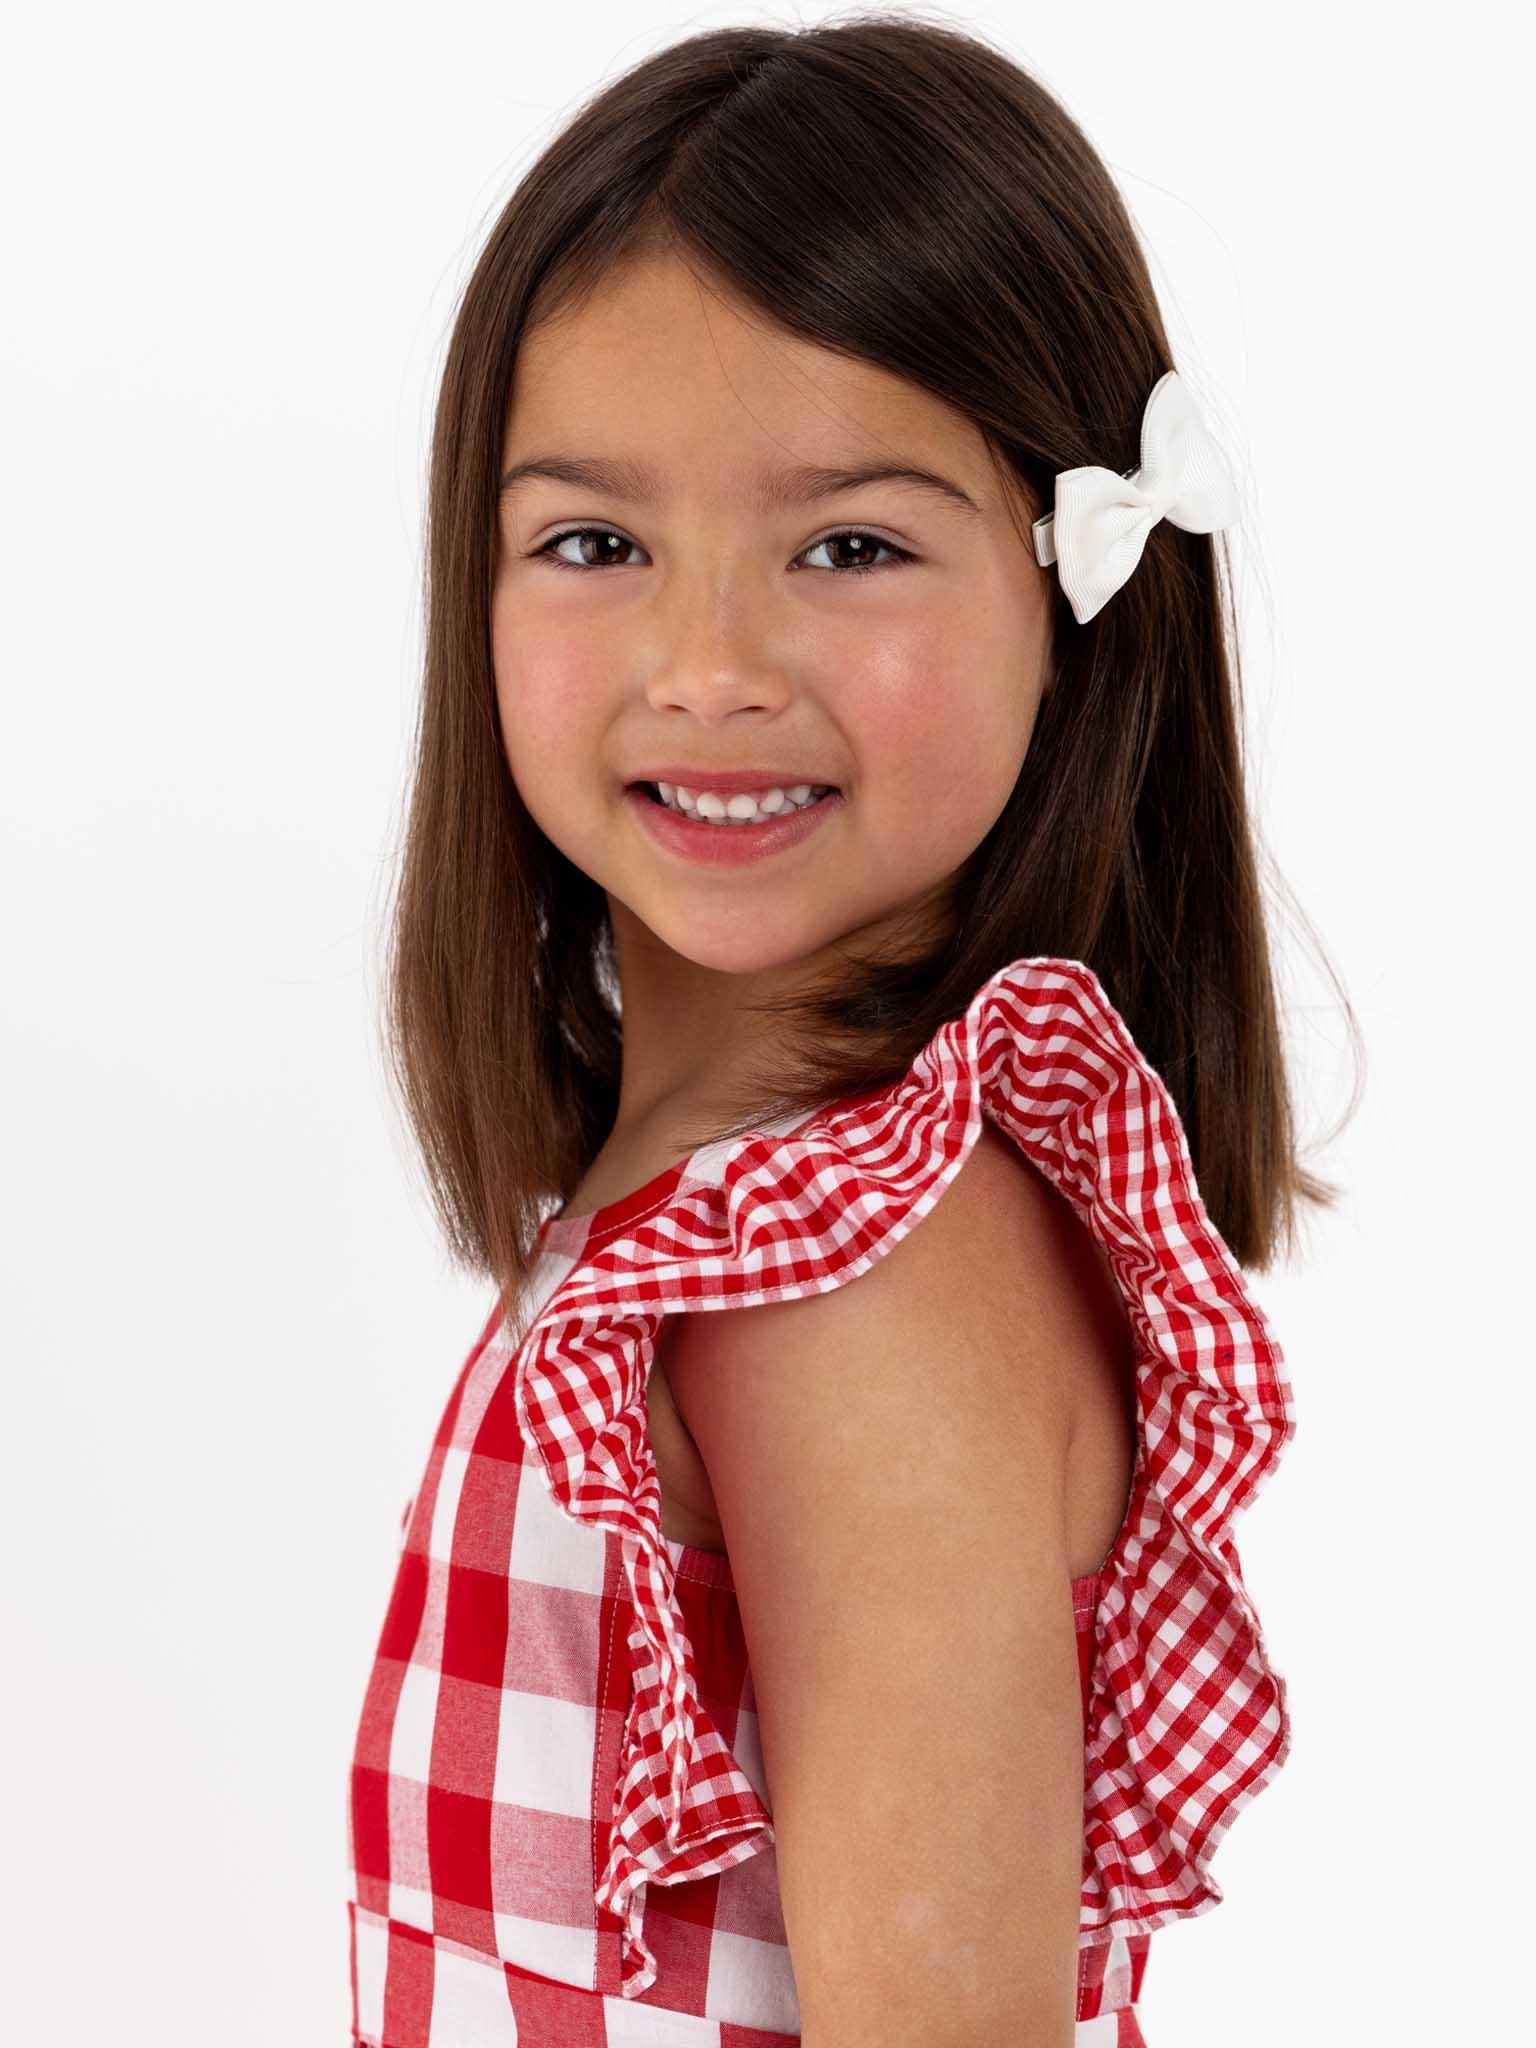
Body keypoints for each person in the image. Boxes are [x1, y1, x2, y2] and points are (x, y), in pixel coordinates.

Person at [346, 17, 1325, 2045]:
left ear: (1072, 578)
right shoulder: (713, 1204)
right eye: (595, 543)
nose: (711, 668)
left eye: (851, 544)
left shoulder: (840, 1273)